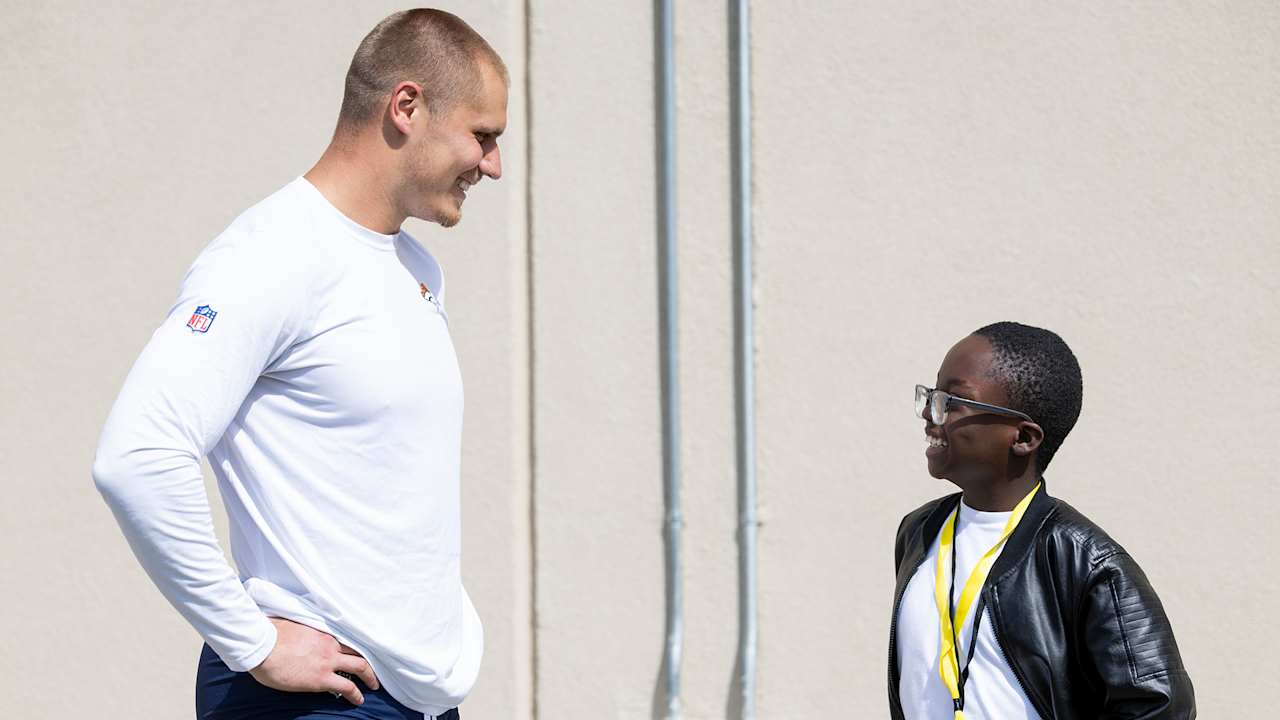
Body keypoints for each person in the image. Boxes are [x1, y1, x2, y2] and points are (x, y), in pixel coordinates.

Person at [92, 9, 507, 719]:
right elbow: (138, 454)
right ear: (406, 107)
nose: (492, 165)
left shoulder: (415, 268)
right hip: (321, 699)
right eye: (483, 135)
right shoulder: (272, 254)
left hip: (414, 698)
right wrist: (252, 642)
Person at [889, 322, 1195, 719]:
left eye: (953, 402)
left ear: (1023, 438)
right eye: (932, 396)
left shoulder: (1087, 561)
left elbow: (1160, 708)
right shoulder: (919, 531)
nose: (931, 415)